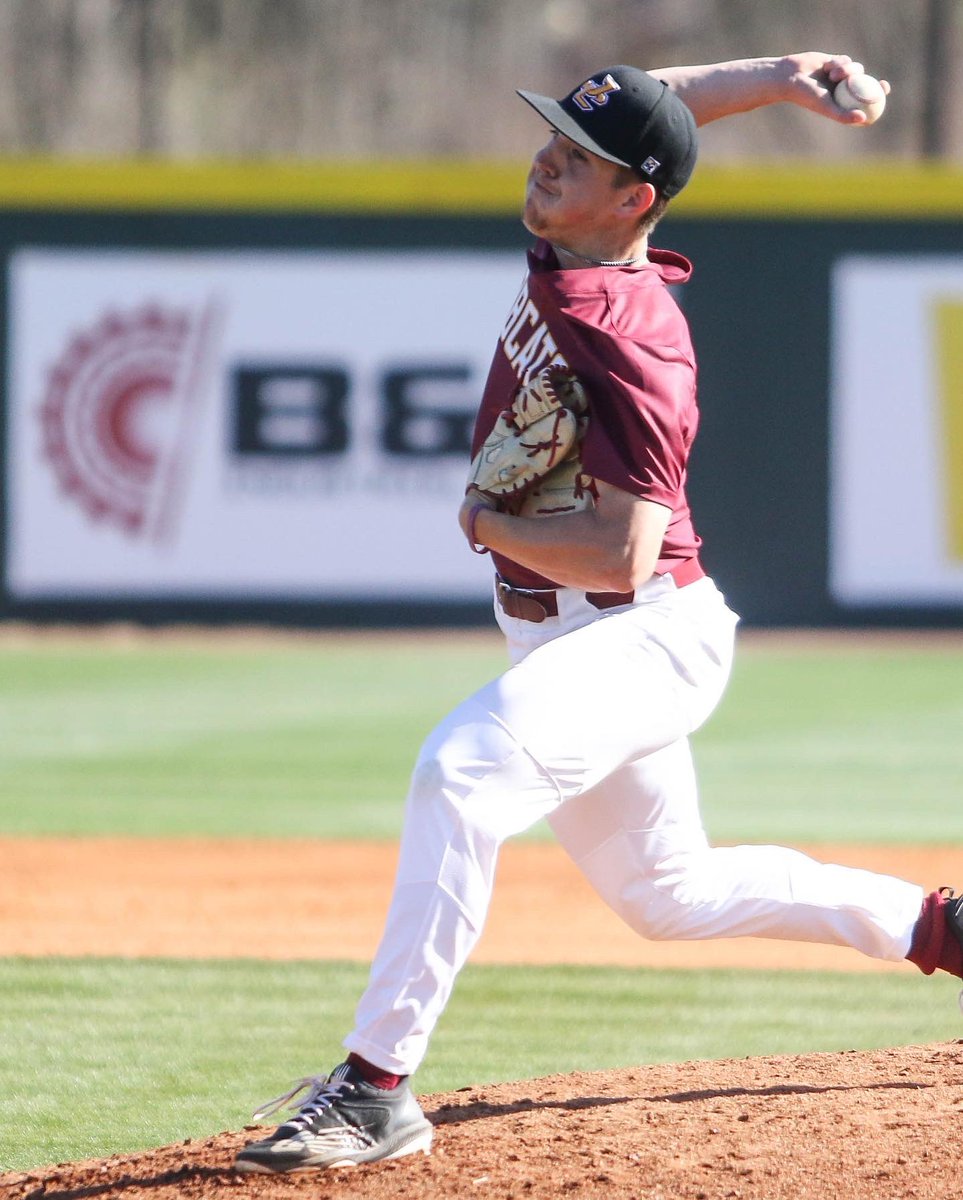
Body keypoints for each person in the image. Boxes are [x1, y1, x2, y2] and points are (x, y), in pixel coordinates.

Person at [233, 52, 963, 1174]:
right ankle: (942, 930)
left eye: (576, 161)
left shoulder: (632, 336)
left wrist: (485, 521)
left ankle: (376, 1089)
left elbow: (623, 555)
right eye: (554, 141)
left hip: (643, 633)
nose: (546, 163)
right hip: (563, 634)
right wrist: (777, 76)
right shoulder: (575, 239)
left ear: (632, 201)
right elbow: (646, 111)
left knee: (460, 773)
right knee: (670, 894)